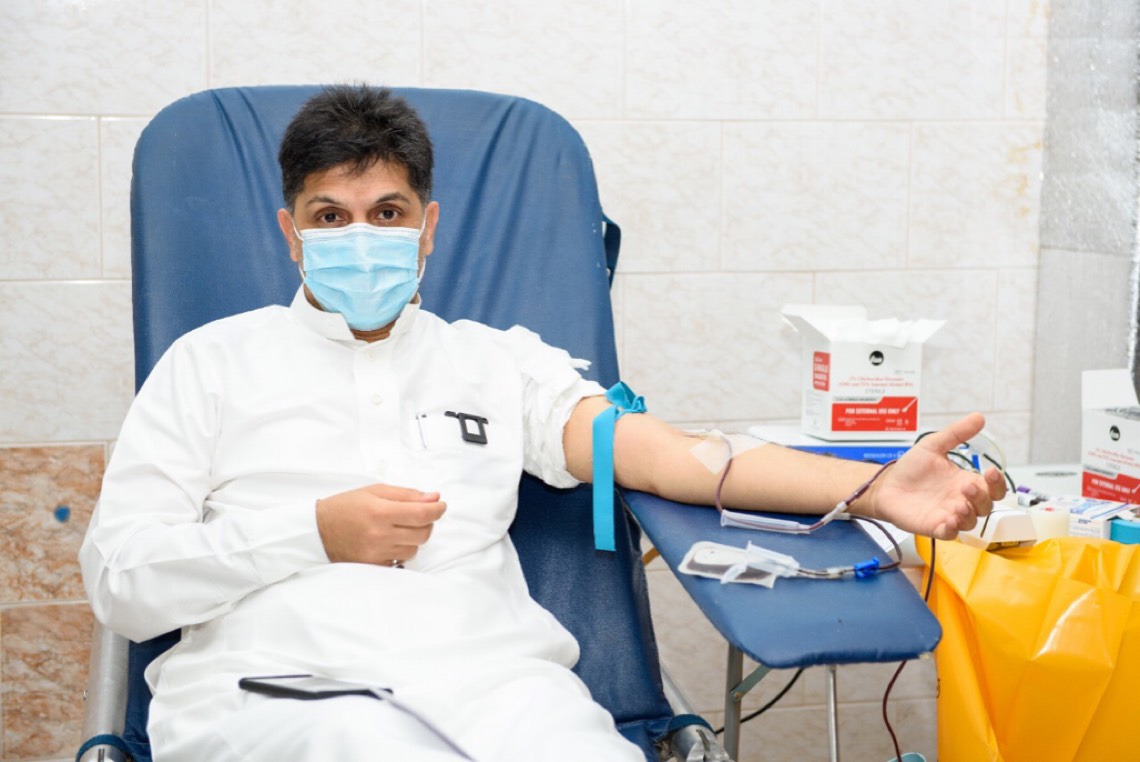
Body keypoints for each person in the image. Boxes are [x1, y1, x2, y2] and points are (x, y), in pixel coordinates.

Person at [80, 84, 1004, 762]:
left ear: (427, 227)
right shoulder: (209, 366)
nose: (362, 237)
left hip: (500, 693)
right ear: (292, 234)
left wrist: (872, 487)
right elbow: (122, 582)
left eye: (387, 212)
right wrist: (310, 534)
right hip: (287, 699)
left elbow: (675, 458)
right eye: (332, 215)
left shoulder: (495, 362)